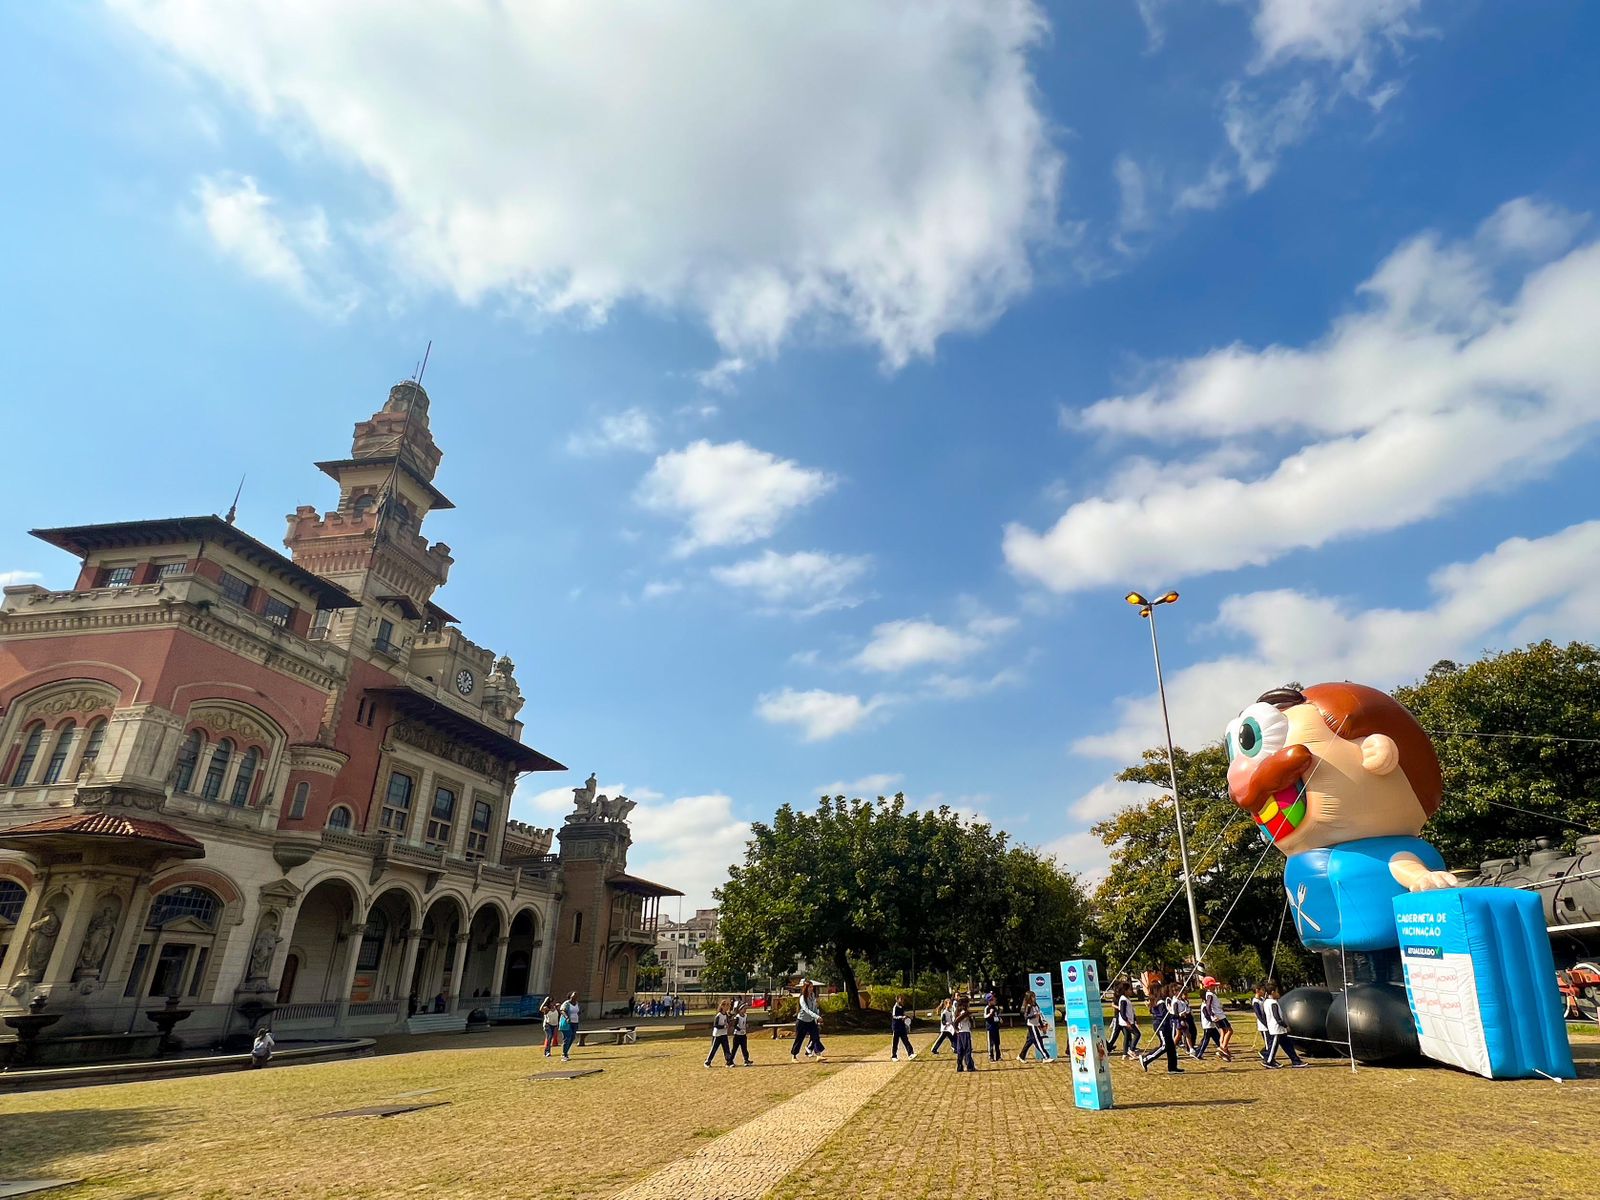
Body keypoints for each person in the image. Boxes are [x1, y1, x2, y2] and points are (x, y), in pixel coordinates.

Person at [1262, 984, 1307, 1068]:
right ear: (1272, 992)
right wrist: (1285, 1025)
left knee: (1287, 1045)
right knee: (1273, 1046)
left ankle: (1295, 1060)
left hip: (1278, 1029)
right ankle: (1268, 1061)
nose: (1278, 993)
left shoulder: (1266, 1002)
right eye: (1276, 991)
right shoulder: (1273, 1003)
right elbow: (1277, 1017)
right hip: (1276, 1029)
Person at [1140, 983, 1182, 1073]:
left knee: (1171, 1047)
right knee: (1164, 1046)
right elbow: (1163, 1015)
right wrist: (1174, 1016)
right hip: (1161, 1026)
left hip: (1166, 1026)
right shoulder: (1160, 1002)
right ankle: (1146, 1059)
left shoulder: (1158, 1001)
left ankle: (1172, 1067)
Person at [1194, 976, 1233, 1062]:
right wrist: (1212, 1015)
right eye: (1212, 986)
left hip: (1218, 1015)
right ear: (1207, 987)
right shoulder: (1210, 995)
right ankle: (1223, 1047)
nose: (1214, 987)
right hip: (1219, 1016)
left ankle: (1222, 1047)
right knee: (1229, 1031)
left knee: (1222, 1032)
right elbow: (1208, 1006)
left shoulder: (1212, 994)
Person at [791, 981, 824, 1062]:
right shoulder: (802, 998)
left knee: (815, 1037)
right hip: (802, 1021)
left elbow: (815, 1008)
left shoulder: (812, 996)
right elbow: (806, 1010)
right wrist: (817, 1016)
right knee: (799, 1039)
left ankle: (818, 1055)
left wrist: (817, 1016)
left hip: (811, 1020)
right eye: (810, 987)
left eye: (812, 987)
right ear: (805, 988)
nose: (811, 989)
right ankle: (794, 1056)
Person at [1017, 990, 1049, 1062]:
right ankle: (1046, 1057)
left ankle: (1021, 1056)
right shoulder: (1028, 1006)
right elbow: (1026, 1016)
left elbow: (1039, 1017)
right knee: (1038, 1041)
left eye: (1034, 996)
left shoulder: (1036, 1005)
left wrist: (1042, 1025)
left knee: (1029, 1041)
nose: (1034, 998)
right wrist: (1034, 1015)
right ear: (1029, 998)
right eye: (1033, 997)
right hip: (1031, 1025)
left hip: (1036, 1024)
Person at [1114, 983, 1142, 1059]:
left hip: (1128, 1021)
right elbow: (1122, 1012)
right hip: (1126, 1022)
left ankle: (1124, 1054)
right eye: (1129, 990)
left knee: (1127, 1037)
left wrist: (1135, 1018)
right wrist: (1127, 1022)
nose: (1131, 991)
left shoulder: (1126, 998)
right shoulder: (1123, 999)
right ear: (1125, 991)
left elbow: (1130, 1010)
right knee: (1137, 1034)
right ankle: (1131, 1050)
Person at [1169, 984, 1196, 1056]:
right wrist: (1181, 1015)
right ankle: (1173, 1049)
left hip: (1184, 1019)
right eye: (1180, 991)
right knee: (1179, 1035)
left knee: (1186, 1034)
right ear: (1176, 992)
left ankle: (1191, 1049)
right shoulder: (1175, 1001)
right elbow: (1175, 1013)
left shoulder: (1181, 1000)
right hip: (1179, 1020)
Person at [952, 992, 977, 1072]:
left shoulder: (959, 1012)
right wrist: (967, 1014)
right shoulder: (963, 1012)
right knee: (967, 1050)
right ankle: (969, 1066)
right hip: (964, 1032)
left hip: (961, 1032)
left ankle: (960, 1066)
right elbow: (956, 1021)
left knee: (960, 1050)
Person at [705, 999, 733, 1068]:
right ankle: (707, 1062)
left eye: (728, 1005)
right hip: (717, 1035)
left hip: (724, 1034)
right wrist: (724, 1026)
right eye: (726, 1005)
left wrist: (730, 1021)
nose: (728, 1007)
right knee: (714, 1049)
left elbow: (727, 1022)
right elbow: (715, 1025)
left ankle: (729, 1062)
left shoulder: (726, 1015)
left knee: (726, 1049)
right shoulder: (719, 1015)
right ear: (722, 1006)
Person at [890, 994, 916, 1061]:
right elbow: (894, 1016)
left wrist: (906, 1018)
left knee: (906, 1040)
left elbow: (903, 1015)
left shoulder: (902, 1007)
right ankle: (894, 1056)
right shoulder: (895, 1007)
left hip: (902, 1027)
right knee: (895, 1042)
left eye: (903, 999)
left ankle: (910, 1054)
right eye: (901, 999)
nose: (902, 1000)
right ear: (897, 999)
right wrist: (901, 1017)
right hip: (896, 1027)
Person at [1251, 984, 1271, 1062]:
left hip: (1268, 1024)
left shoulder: (1262, 999)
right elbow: (1259, 1015)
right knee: (1268, 1043)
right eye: (1262, 990)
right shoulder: (1255, 1002)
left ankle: (1264, 1053)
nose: (1264, 991)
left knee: (1270, 1042)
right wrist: (1266, 1024)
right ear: (1257, 991)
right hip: (1264, 1026)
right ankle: (1265, 1055)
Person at [559, 991, 581, 1061]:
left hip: (575, 1023)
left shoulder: (577, 1003)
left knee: (572, 1037)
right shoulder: (566, 1003)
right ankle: (564, 1054)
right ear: (570, 996)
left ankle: (566, 1052)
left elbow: (577, 1011)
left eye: (576, 995)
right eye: (574, 995)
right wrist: (567, 1017)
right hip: (567, 1023)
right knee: (567, 1038)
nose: (575, 996)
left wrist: (579, 1013)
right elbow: (562, 1011)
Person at [730, 1000, 752, 1066]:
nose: (745, 1010)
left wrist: (746, 1026)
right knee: (734, 1049)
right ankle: (730, 1061)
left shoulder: (745, 1016)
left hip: (743, 1035)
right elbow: (734, 1025)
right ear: (740, 1009)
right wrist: (739, 1029)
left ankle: (746, 1060)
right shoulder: (737, 1017)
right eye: (744, 1009)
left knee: (744, 1048)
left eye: (746, 1009)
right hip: (737, 1035)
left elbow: (745, 1023)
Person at [983, 992, 1002, 1062]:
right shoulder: (987, 1008)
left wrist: (1000, 1019)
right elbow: (985, 1016)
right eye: (993, 1000)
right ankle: (991, 1055)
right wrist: (990, 1014)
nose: (995, 1001)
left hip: (996, 1027)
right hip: (990, 1027)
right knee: (991, 1042)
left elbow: (997, 1015)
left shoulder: (995, 1008)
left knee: (997, 1042)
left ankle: (998, 1056)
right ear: (990, 1001)